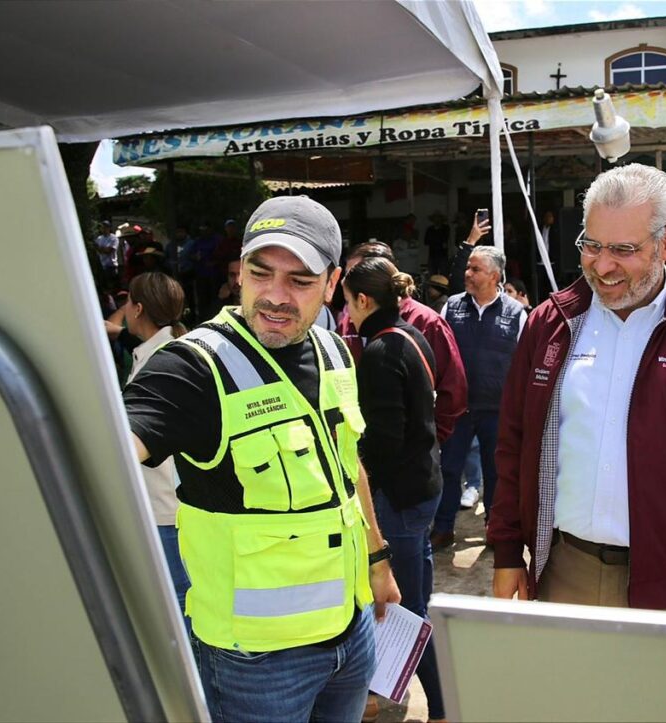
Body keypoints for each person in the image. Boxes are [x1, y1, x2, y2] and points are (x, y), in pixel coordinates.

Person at [123, 195, 400, 722]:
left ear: (333, 280)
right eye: (260, 273)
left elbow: (346, 465)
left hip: (352, 628)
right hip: (256, 662)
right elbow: (104, 453)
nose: (275, 296)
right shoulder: (191, 368)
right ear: (240, 272)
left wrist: (377, 557)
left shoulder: (334, 350)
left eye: (299, 281)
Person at [489, 165, 666, 614]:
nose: (603, 266)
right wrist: (507, 551)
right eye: (592, 246)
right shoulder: (551, 324)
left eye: (623, 249)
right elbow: (514, 443)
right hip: (566, 572)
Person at [343, 257, 447, 723]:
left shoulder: (383, 352)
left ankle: (443, 707)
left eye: (347, 302)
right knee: (414, 600)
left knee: (403, 608)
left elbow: (383, 440)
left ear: (363, 301)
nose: (345, 313)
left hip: (402, 498)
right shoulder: (412, 334)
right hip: (423, 486)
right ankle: (382, 690)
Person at [432, 245, 527, 550]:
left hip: (498, 410)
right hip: (459, 409)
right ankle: (444, 528)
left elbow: (525, 364)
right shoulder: (452, 308)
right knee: (449, 468)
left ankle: (494, 530)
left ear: (495, 276)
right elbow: (441, 357)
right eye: (468, 268)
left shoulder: (516, 314)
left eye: (475, 269)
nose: (467, 274)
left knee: (496, 473)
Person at [114, 272, 191, 630]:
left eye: (127, 301)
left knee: (179, 602)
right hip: (169, 505)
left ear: (139, 307)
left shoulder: (160, 361)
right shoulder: (168, 349)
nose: (123, 309)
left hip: (166, 508)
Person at [336, 242, 467, 445]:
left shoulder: (426, 322)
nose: (345, 280)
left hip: (404, 457)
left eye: (355, 273)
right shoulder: (347, 324)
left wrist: (432, 439)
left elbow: (453, 390)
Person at [95, 220, 120, 289]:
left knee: (112, 285)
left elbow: (109, 250)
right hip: (102, 265)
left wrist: (101, 249)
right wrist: (103, 249)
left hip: (111, 265)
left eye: (106, 227)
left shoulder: (114, 238)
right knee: (103, 286)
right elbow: (96, 248)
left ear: (109, 228)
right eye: (102, 227)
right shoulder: (99, 238)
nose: (103, 229)